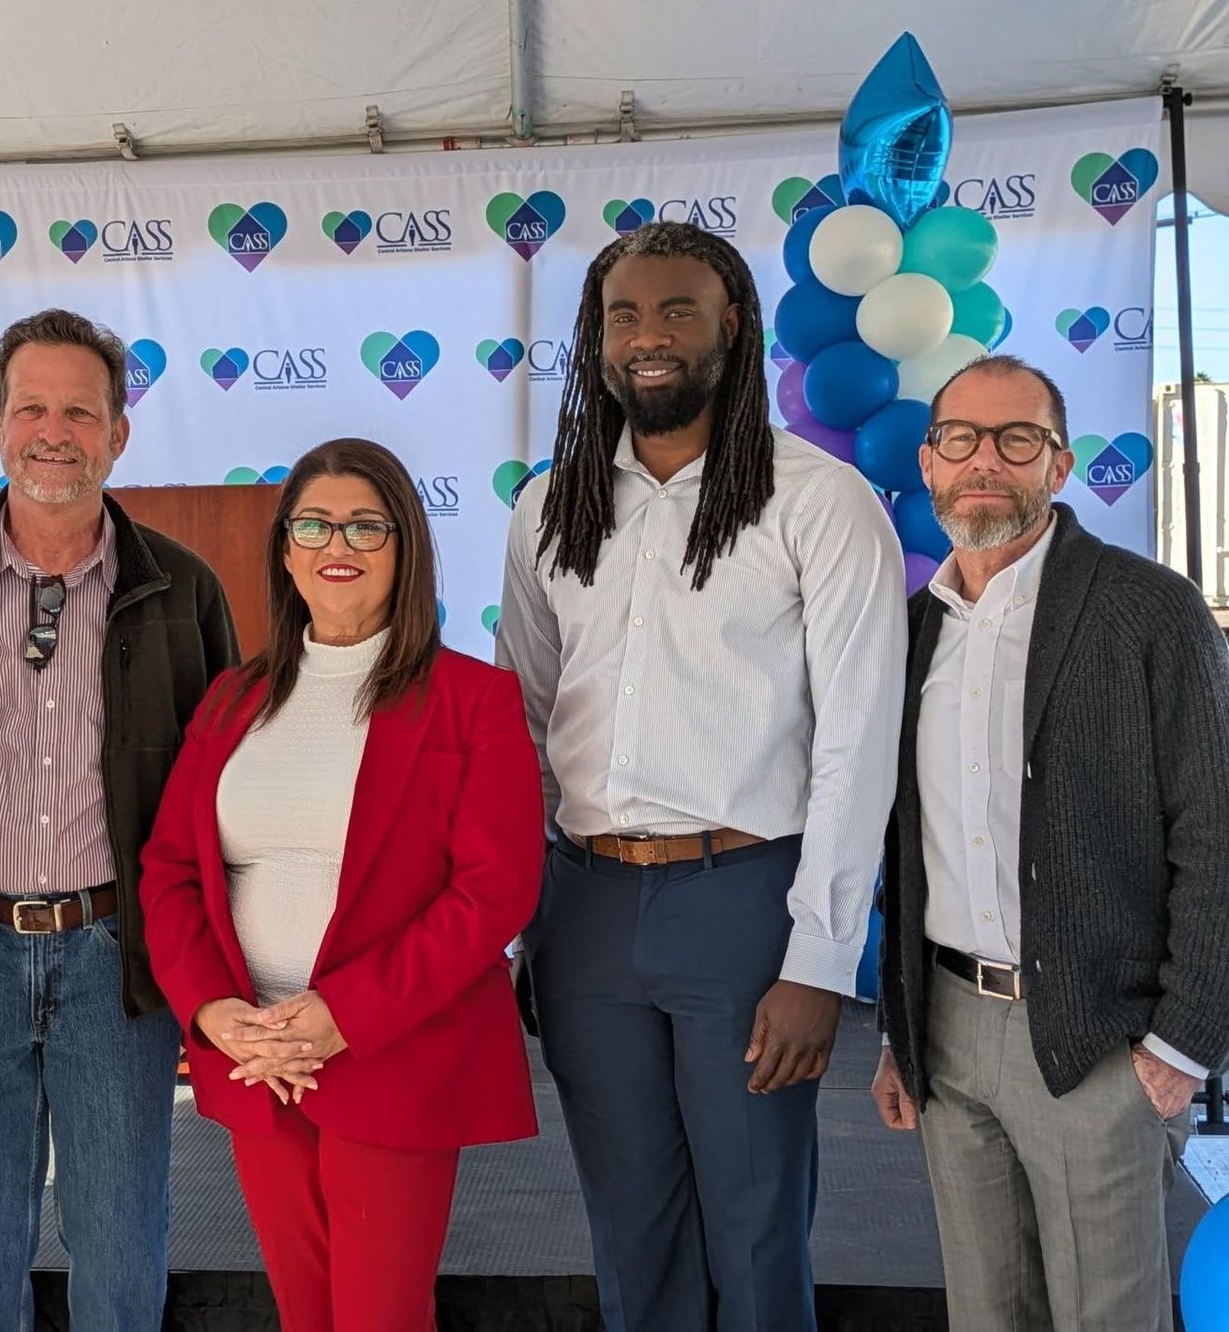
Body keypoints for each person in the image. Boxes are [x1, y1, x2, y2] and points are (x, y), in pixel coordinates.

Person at [497, 222, 907, 1332]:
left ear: (734, 325)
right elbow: (527, 721)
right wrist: (525, 920)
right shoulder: (550, 507)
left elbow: (860, 742)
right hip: (583, 906)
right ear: (595, 338)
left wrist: (821, 959)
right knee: (630, 1228)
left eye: (678, 310)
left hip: (746, 905)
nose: (650, 338)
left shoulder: (818, 501)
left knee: (756, 1221)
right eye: (625, 315)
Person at [0, 308, 238, 1329]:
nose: (54, 431)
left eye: (80, 410)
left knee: (122, 1246)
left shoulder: (183, 588)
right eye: (30, 406)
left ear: (119, 432)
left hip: (116, 961)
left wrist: (200, 963)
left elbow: (220, 798)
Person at [140, 437, 543, 1331]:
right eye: (315, 523)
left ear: (406, 548)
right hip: (258, 1057)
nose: (340, 544)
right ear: (285, 549)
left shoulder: (473, 700)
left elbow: (494, 892)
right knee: (303, 1314)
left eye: (368, 524)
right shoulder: (231, 700)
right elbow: (169, 871)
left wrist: (342, 1018)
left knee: (380, 1318)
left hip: (390, 1056)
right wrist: (214, 1012)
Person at [871, 356, 1229, 1332]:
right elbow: (908, 842)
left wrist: (1183, 1041)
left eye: (1016, 438)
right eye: (961, 438)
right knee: (988, 1315)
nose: (986, 459)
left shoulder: (1149, 610)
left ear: (1060, 465)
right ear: (929, 463)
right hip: (947, 1030)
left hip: (1098, 1040)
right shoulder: (911, 633)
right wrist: (900, 1030)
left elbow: (1217, 830)